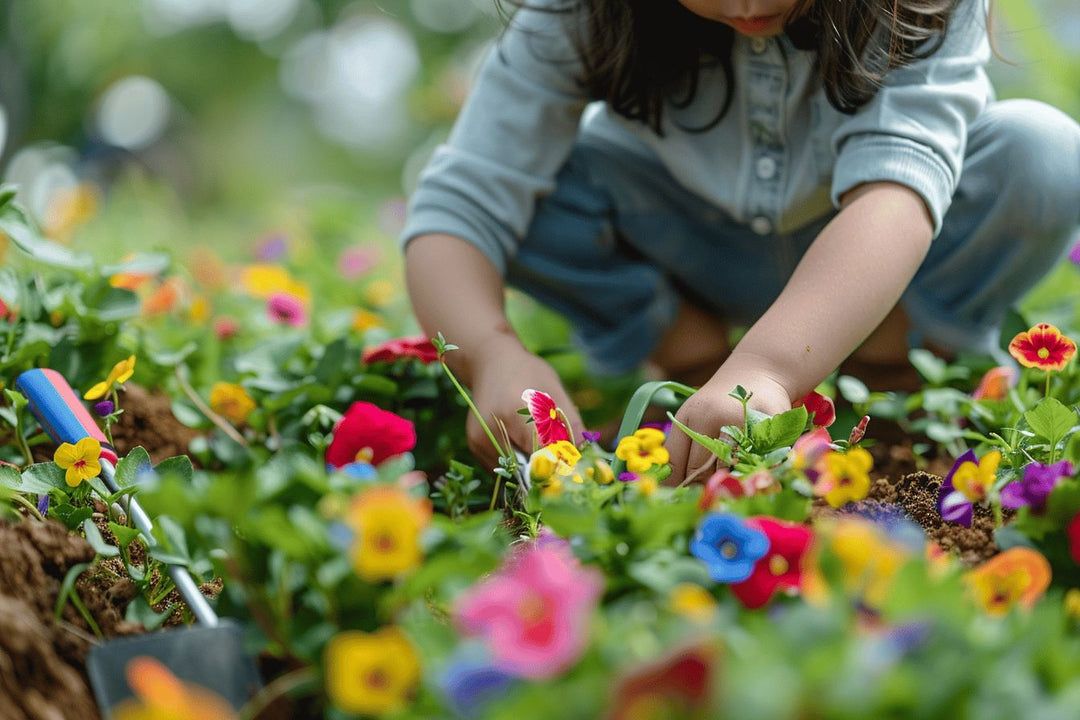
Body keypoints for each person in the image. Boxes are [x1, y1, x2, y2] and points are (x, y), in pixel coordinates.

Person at [401, 0, 1080, 482]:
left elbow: (894, 199)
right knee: (535, 190)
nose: (746, 1)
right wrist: (491, 357)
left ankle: (895, 367)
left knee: (1043, 153)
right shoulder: (575, 11)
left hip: (883, 269)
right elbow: (462, 204)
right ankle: (690, 359)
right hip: (686, 248)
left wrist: (772, 369)